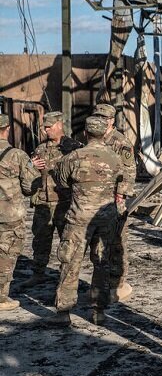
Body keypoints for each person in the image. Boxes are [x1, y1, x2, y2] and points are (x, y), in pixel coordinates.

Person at [48, 116, 124, 326]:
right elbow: (122, 183)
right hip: (106, 219)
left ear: (86, 134)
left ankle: (63, 312)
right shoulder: (115, 158)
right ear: (103, 133)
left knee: (70, 262)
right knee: (101, 263)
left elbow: (62, 183)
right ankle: (98, 311)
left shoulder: (72, 157)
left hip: (78, 218)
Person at [21, 111, 83, 288]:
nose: (46, 130)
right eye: (44, 127)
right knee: (40, 240)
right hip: (43, 203)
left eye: (49, 127)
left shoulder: (73, 148)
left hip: (64, 203)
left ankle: (67, 278)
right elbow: (28, 173)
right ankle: (38, 273)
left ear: (59, 125)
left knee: (68, 242)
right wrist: (32, 166)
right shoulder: (40, 149)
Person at [92, 103, 136, 302]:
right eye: (97, 116)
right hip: (97, 198)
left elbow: (129, 172)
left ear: (111, 120)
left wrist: (121, 195)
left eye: (103, 117)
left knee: (117, 243)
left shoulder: (120, 142)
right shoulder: (95, 139)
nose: (100, 120)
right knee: (99, 243)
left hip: (115, 199)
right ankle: (102, 282)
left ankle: (118, 284)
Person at [0, 113, 41, 310]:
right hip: (10, 215)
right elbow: (29, 187)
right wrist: (33, 168)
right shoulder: (17, 155)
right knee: (6, 254)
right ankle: (1, 298)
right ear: (7, 129)